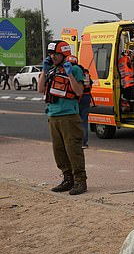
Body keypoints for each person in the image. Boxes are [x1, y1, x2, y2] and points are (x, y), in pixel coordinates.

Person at [37, 40, 87, 195]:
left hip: (69, 116)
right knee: (58, 151)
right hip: (53, 115)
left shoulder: (75, 69)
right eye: (51, 54)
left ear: (64, 53)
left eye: (56, 54)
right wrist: (44, 71)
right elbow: (40, 89)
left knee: (73, 149)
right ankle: (68, 179)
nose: (53, 57)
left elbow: (78, 92)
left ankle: (80, 181)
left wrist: (69, 74)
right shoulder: (51, 70)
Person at [67, 55, 93, 148]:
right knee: (84, 121)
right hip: (87, 97)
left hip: (79, 97)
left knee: (75, 120)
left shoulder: (73, 70)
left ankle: (77, 141)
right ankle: (84, 143)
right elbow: (91, 83)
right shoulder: (84, 71)